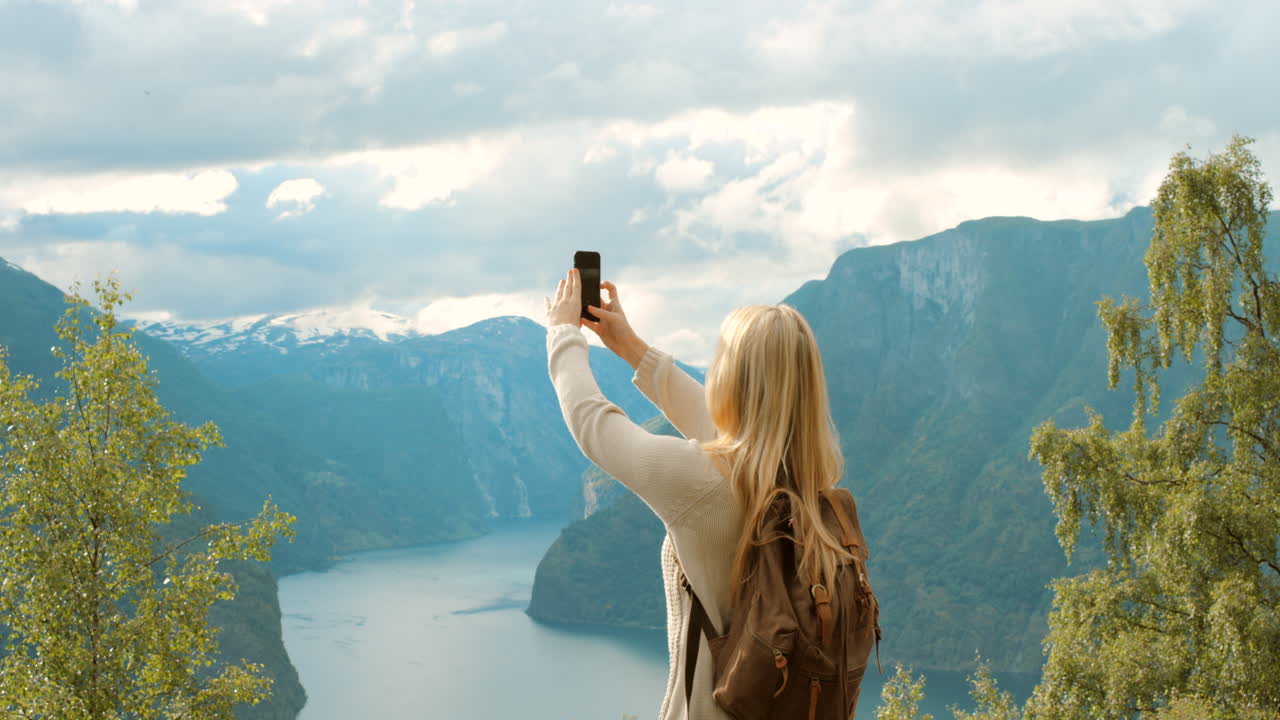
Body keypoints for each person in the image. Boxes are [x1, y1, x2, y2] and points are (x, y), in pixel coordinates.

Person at [545, 267, 856, 720]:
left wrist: (561, 334)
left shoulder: (704, 485)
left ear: (731, 375)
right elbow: (726, 433)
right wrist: (631, 349)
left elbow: (593, 423)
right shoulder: (806, 481)